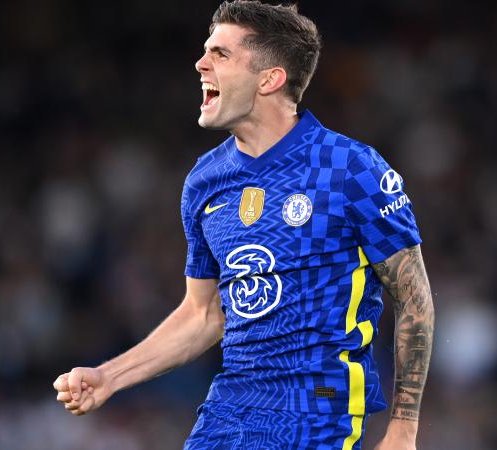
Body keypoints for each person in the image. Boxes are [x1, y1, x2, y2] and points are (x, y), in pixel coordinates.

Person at [53, 1, 434, 449]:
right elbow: (203, 314)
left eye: (221, 54)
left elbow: (414, 300)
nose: (200, 63)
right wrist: (108, 377)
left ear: (269, 79)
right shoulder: (205, 181)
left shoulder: (351, 169)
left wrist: (403, 430)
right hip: (230, 407)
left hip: (315, 410)